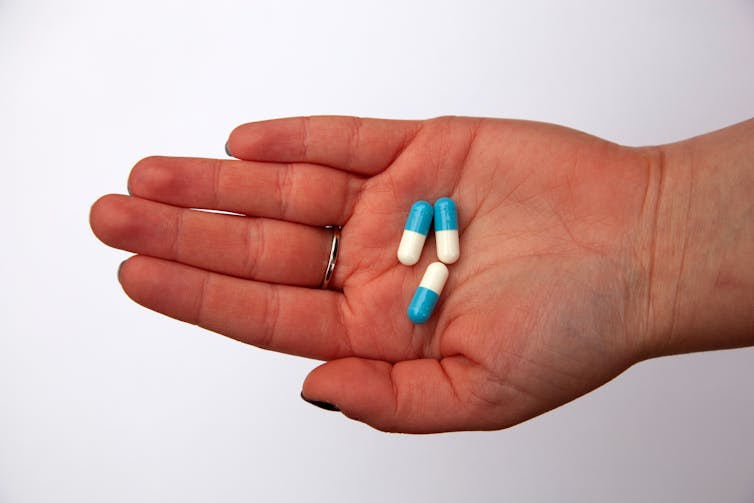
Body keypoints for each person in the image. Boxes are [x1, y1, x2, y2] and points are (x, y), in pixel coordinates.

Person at [89, 116, 754, 433]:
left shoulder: (435, 242)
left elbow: (432, 259)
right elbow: (432, 258)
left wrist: (660, 225)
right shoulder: (434, 239)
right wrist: (662, 220)